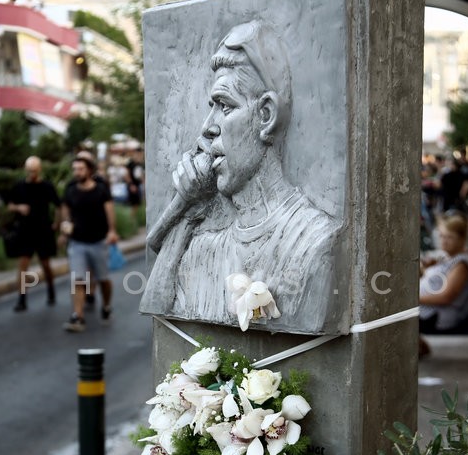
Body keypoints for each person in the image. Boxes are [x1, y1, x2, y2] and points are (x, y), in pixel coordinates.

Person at [140, 20, 340, 334]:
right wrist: (188, 208)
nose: (208, 126)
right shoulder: (203, 248)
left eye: (225, 105)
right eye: (211, 107)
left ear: (265, 115)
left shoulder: (314, 241)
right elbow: (157, 310)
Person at [60, 154, 118, 332]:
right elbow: (65, 211)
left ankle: (106, 305)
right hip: (77, 242)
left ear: (90, 170)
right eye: (75, 169)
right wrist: (65, 228)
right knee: (78, 280)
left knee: (103, 280)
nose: (77, 172)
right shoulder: (71, 190)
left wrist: (112, 230)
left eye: (81, 169)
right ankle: (78, 316)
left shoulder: (100, 190)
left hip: (98, 242)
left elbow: (109, 210)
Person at [418, 211, 468, 358]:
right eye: (442, 236)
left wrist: (411, 299)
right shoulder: (449, 257)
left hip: (440, 315)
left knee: (391, 312)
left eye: (450, 237)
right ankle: (417, 346)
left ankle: (417, 347)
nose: (444, 241)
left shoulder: (462, 264)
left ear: (462, 238)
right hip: (429, 311)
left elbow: (447, 297)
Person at [7, 155, 61, 311]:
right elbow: (10, 205)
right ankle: (22, 299)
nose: (32, 174)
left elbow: (58, 204)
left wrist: (56, 223)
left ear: (40, 170)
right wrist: (19, 208)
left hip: (43, 229)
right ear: (25, 170)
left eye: (35, 171)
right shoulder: (19, 187)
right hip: (25, 230)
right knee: (23, 265)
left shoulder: (47, 186)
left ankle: (51, 289)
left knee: (45, 264)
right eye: (30, 171)